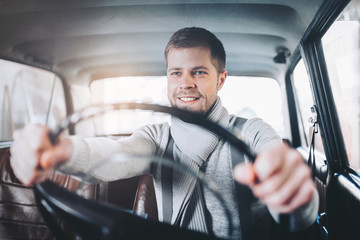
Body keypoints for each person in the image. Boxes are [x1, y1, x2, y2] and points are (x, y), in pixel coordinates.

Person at [10, 27, 318, 239]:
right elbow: (119, 156)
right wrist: (64, 151)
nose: (185, 83)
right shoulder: (156, 136)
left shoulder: (251, 131)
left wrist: (294, 197)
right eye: (176, 73)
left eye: (198, 72)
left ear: (221, 79)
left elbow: (282, 177)